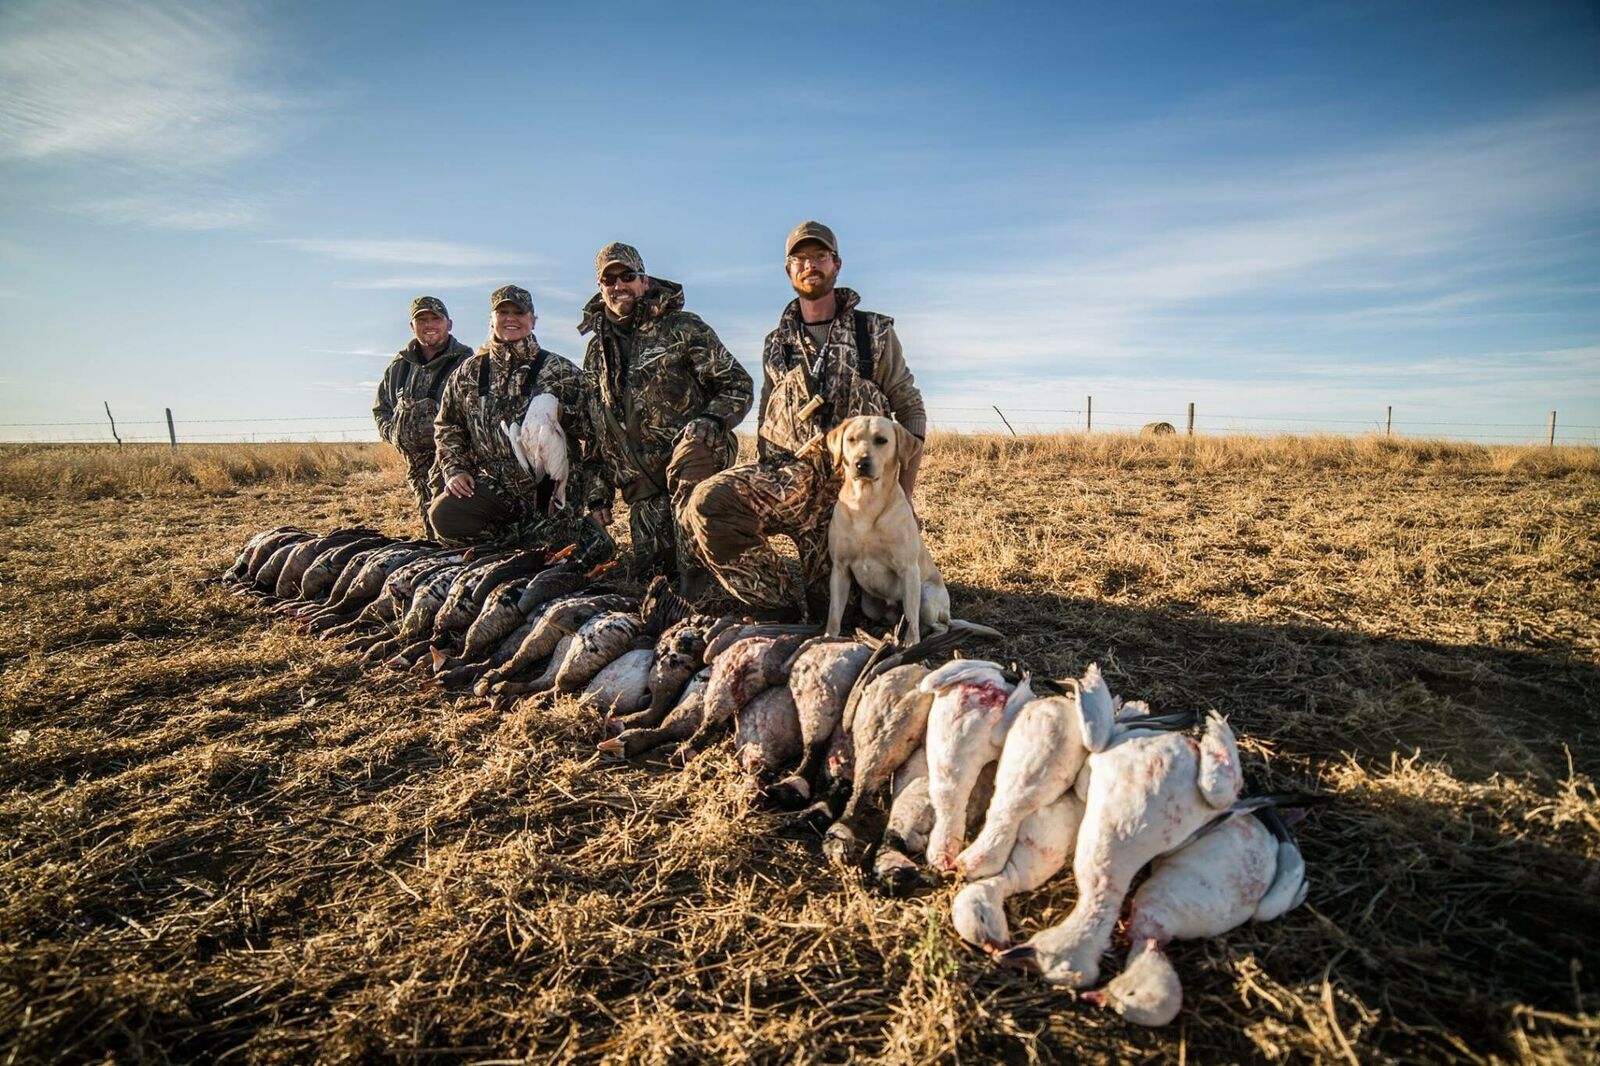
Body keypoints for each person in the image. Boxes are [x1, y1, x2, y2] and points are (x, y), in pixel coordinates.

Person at [684, 221, 926, 617]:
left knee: (848, 613)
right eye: (800, 258)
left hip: (850, 499)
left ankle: (821, 599)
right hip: (790, 483)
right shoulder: (775, 343)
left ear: (837, 264)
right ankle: (779, 606)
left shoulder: (874, 333)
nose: (810, 265)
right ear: (788, 270)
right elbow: (767, 415)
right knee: (709, 503)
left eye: (819, 256)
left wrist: (904, 495)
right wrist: (764, 485)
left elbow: (910, 410)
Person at [576, 242, 753, 589]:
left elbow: (737, 384)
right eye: (608, 279)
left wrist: (709, 423)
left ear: (644, 280)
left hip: (696, 458)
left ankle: (715, 584)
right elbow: (598, 428)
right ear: (600, 287)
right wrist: (598, 495)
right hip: (644, 484)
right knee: (653, 572)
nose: (618, 285)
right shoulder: (596, 351)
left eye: (627, 276)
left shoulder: (682, 327)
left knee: (697, 569)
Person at [430, 285, 606, 558]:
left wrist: (563, 414)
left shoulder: (560, 370)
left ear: (532, 319)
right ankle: (502, 550)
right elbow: (448, 425)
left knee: (557, 554)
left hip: (551, 489)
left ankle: (573, 532)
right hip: (495, 485)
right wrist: (455, 468)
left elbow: (596, 428)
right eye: (503, 312)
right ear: (491, 319)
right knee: (446, 515)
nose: (511, 318)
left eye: (519, 312)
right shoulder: (469, 372)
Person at [372, 296, 474, 536]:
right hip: (415, 465)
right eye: (422, 319)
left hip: (454, 461)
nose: (429, 324)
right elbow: (381, 409)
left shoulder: (467, 363)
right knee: (429, 522)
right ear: (412, 326)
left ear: (449, 324)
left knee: (453, 522)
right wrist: (394, 434)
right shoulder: (399, 366)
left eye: (435, 319)